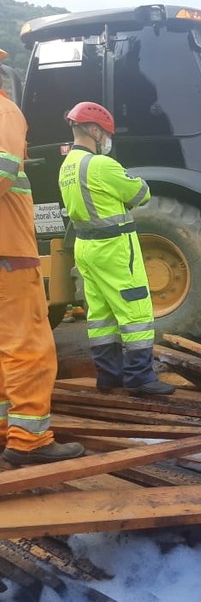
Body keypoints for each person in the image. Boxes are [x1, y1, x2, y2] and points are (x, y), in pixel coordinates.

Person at [0, 50, 86, 465]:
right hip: (9, 252)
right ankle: (28, 442)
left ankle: (7, 431)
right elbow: (2, 171)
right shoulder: (3, 110)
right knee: (29, 346)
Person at [58, 101, 175, 397]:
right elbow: (141, 194)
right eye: (106, 134)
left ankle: (109, 376)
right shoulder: (101, 165)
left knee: (101, 314)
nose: (107, 140)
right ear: (94, 130)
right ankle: (140, 378)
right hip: (114, 247)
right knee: (135, 311)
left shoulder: (67, 166)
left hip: (86, 247)